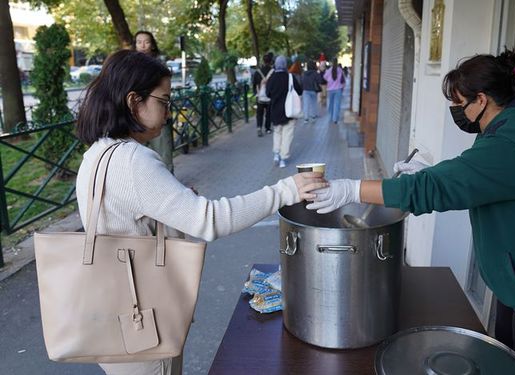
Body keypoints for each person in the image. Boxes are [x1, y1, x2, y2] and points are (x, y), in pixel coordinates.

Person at [306, 50, 515, 375]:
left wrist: (349, 189)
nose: (456, 111)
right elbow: (472, 177)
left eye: (458, 103)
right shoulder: (513, 126)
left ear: (481, 100)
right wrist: (430, 172)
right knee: (506, 355)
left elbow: (438, 188)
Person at [74, 50, 326, 375]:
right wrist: (286, 190)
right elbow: (209, 219)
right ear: (134, 100)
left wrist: (174, 202)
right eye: (164, 101)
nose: (168, 113)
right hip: (144, 327)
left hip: (110, 313)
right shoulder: (134, 161)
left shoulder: (96, 154)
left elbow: (123, 221)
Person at [133, 30, 173, 172]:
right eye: (139, 42)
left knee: (164, 157)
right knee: (138, 159)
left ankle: (170, 188)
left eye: (146, 41)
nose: (143, 45)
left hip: (158, 116)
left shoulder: (160, 66)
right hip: (136, 118)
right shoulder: (130, 65)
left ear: (153, 45)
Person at [266, 55, 303, 169]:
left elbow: (268, 94)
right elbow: (300, 91)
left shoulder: (272, 78)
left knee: (277, 132)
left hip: (276, 111)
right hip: (289, 111)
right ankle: (283, 158)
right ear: (286, 65)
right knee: (287, 135)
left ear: (276, 65)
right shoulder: (290, 77)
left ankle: (276, 154)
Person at [252, 53, 274, 137]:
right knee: (268, 113)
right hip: (269, 96)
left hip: (260, 96)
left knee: (259, 113)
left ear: (263, 61)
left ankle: (259, 128)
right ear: (270, 61)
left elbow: (254, 84)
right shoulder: (273, 71)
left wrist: (256, 94)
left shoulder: (258, 72)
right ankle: (267, 128)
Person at [323, 59, 344, 124]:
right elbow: (343, 79)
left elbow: (324, 77)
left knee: (331, 104)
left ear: (331, 63)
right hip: (338, 89)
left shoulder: (328, 70)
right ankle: (335, 119)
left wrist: (329, 81)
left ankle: (331, 116)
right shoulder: (340, 70)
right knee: (337, 104)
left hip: (330, 89)